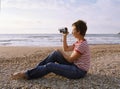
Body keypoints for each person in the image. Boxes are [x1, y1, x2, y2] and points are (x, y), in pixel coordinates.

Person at [11, 20, 90, 80]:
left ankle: (27, 74)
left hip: (78, 71)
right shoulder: (78, 42)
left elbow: (70, 60)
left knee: (51, 66)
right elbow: (66, 49)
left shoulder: (82, 45)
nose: (72, 32)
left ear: (78, 31)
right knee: (55, 53)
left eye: (73, 30)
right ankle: (37, 70)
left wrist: (60, 51)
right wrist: (64, 36)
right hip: (74, 66)